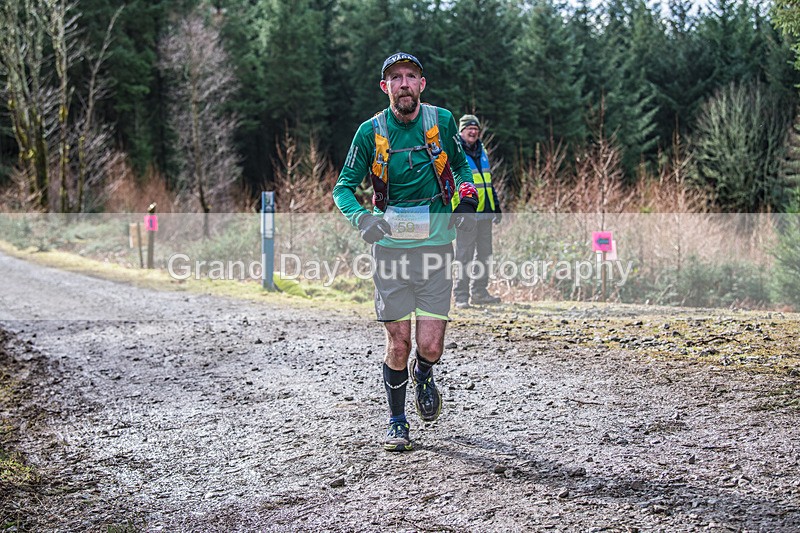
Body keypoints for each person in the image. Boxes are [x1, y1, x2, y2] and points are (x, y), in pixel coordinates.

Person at [332, 52, 476, 452]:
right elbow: (343, 187)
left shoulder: (442, 121)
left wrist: (466, 197)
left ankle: (424, 374)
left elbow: (463, 169)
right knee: (398, 342)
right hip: (390, 251)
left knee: (429, 346)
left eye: (411, 76)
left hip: (435, 248)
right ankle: (397, 421)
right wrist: (362, 218)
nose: (404, 83)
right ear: (386, 88)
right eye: (395, 78)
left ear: (422, 84)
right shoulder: (369, 132)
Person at [452, 114, 502, 309]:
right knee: (464, 254)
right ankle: (461, 296)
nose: (473, 132)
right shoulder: (455, 152)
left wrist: (496, 206)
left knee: (485, 254)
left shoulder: (483, 151)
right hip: (467, 213)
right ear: (461, 131)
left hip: (486, 212)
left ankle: (479, 292)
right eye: (468, 129)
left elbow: (487, 182)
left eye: (476, 129)